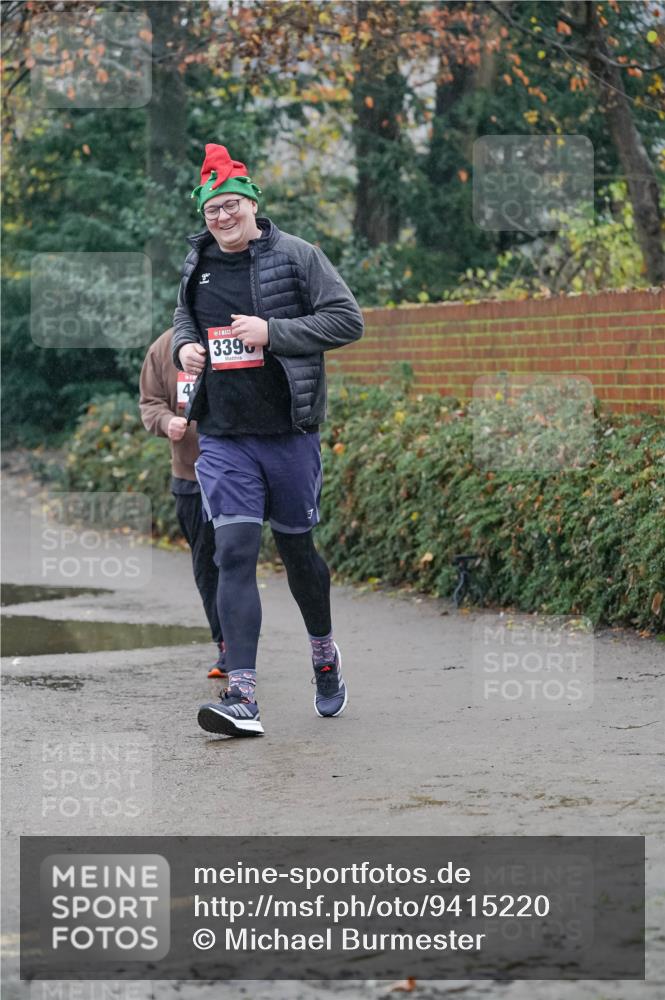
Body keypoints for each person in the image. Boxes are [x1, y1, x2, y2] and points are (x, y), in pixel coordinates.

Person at [173, 142, 364, 738]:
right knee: (232, 552)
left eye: (231, 205)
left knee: (298, 554)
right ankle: (243, 697)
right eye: (213, 210)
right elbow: (184, 318)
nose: (223, 216)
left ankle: (324, 655)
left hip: (288, 434)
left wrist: (271, 332)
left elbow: (347, 320)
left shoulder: (299, 256)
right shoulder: (197, 262)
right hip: (224, 435)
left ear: (252, 204)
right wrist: (185, 346)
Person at [139, 328, 227, 680]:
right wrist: (166, 421)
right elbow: (150, 402)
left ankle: (239, 642)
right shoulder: (164, 347)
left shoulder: (232, 333)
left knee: (234, 558)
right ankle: (226, 644)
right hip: (189, 475)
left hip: (236, 473)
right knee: (206, 563)